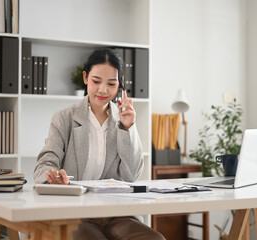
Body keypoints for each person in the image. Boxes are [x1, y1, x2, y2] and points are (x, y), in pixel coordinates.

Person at [34, 48, 165, 240]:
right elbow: (44, 165)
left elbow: (132, 176)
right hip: (75, 212)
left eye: (111, 83)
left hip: (114, 213)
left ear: (119, 86)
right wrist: (54, 177)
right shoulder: (64, 117)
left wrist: (128, 128)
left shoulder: (122, 119)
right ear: (86, 78)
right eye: (96, 81)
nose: (103, 90)